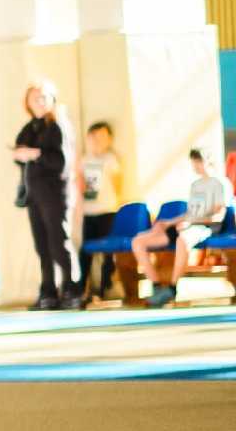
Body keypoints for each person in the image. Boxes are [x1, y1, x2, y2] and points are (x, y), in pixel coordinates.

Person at [11, 81, 82, 310]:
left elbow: (61, 162)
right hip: (35, 195)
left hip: (54, 194)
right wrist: (22, 154)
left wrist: (35, 154)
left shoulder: (57, 126)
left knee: (58, 242)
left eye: (44, 97)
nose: (39, 102)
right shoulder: (31, 127)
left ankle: (71, 288)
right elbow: (18, 150)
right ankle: (48, 290)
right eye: (35, 98)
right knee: (42, 245)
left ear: (52, 99)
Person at [131, 149, 231, 308]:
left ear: (208, 161)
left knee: (182, 240)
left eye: (199, 161)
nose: (196, 165)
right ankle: (157, 286)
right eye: (194, 161)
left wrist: (191, 223)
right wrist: (168, 223)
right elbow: (190, 213)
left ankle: (172, 288)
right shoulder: (196, 185)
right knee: (138, 241)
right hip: (187, 225)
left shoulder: (220, 183)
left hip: (206, 227)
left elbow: (217, 217)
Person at [79, 121, 124, 301]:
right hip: (88, 212)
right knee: (86, 252)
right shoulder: (84, 160)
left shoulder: (111, 159)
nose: (98, 141)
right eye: (94, 137)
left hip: (107, 210)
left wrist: (116, 204)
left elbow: (118, 183)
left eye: (102, 137)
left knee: (108, 252)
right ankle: (83, 289)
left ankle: (107, 286)